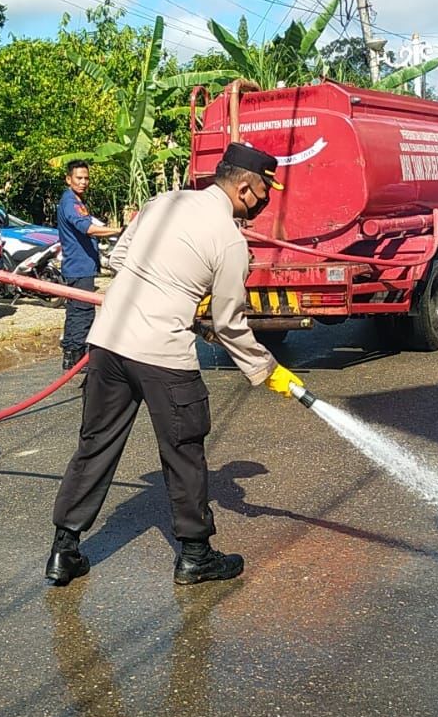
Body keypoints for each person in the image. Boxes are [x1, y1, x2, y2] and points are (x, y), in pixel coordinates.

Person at [46, 142, 307, 588]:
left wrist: (172, 296)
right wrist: (266, 369)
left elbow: (120, 259)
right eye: (264, 192)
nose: (264, 202)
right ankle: (195, 556)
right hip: (163, 354)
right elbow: (228, 322)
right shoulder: (229, 239)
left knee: (96, 445)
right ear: (245, 187)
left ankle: (63, 551)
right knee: (184, 452)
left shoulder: (162, 202)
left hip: (108, 342)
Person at [57, 160, 123, 370]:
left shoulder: (78, 201)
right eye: (79, 178)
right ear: (69, 179)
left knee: (80, 310)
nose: (84, 182)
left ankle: (74, 354)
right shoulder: (70, 203)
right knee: (81, 311)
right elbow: (88, 229)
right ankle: (74, 358)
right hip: (78, 266)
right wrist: (119, 230)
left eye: (86, 178)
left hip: (83, 265)